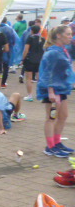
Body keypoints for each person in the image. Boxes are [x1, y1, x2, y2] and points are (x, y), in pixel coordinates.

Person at [36, 25, 75, 158]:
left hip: (61, 89)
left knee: (63, 116)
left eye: (71, 34)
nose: (71, 36)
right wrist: (51, 92)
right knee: (51, 118)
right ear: (59, 35)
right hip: (52, 90)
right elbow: (47, 73)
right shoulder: (52, 52)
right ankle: (50, 147)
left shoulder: (63, 50)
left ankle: (57, 142)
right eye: (68, 34)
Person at [21, 25, 45, 101]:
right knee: (39, 78)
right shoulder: (43, 39)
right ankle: (41, 95)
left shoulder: (30, 38)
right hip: (40, 60)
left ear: (32, 31)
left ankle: (30, 96)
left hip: (30, 59)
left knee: (29, 78)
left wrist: (22, 59)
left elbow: (26, 50)